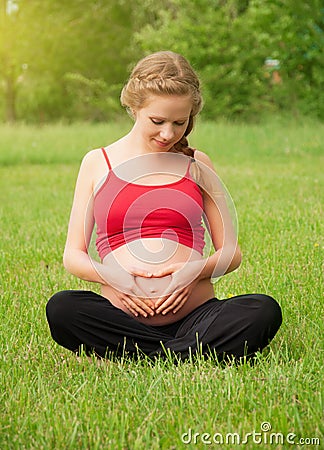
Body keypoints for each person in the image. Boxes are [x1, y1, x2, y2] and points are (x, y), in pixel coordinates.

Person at [46, 51, 282, 362]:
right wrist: (113, 278)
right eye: (157, 121)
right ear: (134, 107)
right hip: (124, 317)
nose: (168, 133)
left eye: (179, 123)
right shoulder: (97, 163)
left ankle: (144, 354)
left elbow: (230, 253)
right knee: (63, 308)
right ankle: (186, 354)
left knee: (263, 310)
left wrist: (193, 271)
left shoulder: (197, 163)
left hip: (197, 315)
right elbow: (73, 255)